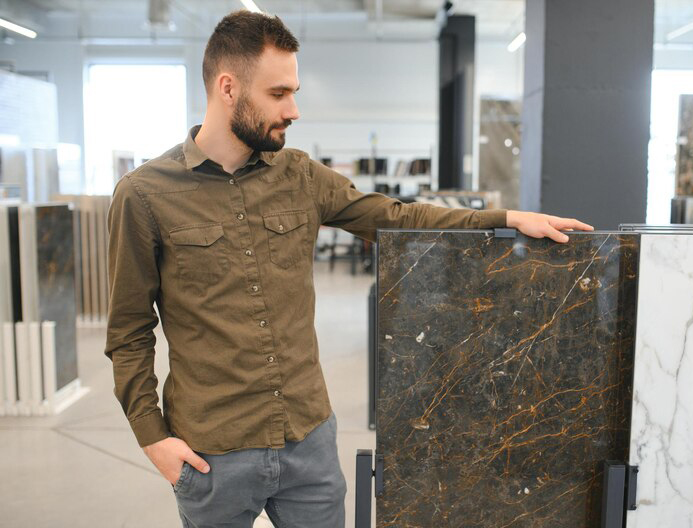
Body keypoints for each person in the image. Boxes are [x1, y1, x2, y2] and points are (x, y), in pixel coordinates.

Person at [104, 10, 594, 528]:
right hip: (212, 452)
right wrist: (153, 437)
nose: (293, 110)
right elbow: (129, 332)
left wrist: (506, 218)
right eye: (278, 93)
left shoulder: (300, 176)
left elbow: (398, 218)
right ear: (228, 88)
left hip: (308, 439)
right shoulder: (144, 195)